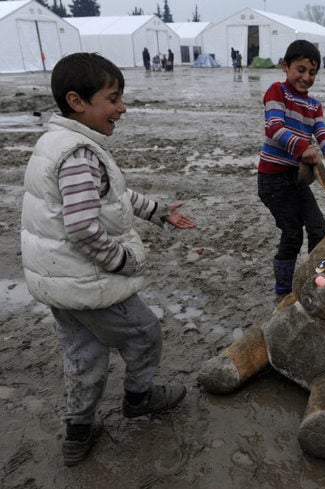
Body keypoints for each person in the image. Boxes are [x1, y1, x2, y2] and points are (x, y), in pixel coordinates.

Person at [20, 52, 196, 466]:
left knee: (83, 353)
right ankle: (139, 396)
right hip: (89, 281)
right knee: (144, 332)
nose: (122, 108)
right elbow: (83, 228)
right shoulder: (80, 155)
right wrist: (122, 262)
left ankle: (78, 430)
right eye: (113, 99)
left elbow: (111, 197)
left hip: (58, 282)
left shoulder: (56, 143)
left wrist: (157, 211)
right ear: (77, 102)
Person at [257, 40, 325, 295]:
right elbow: (275, 127)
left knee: (318, 226)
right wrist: (302, 148)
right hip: (273, 181)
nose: (306, 77)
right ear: (285, 66)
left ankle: (313, 277)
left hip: (296, 180)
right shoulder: (277, 92)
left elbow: (322, 132)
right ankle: (283, 288)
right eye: (301, 69)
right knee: (292, 233)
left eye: (312, 72)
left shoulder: (314, 106)